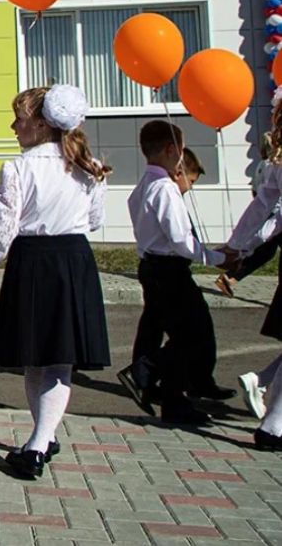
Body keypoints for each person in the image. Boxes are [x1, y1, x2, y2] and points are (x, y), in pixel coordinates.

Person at [0, 85, 110, 480]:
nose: (13, 127)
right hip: (73, 258)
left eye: (19, 119)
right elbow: (95, 220)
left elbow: (3, 229)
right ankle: (45, 435)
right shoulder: (89, 166)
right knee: (54, 358)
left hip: (32, 260)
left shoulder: (18, 168)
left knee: (38, 357)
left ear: (42, 124)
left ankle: (36, 447)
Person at [119, 125, 230, 426]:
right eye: (181, 149)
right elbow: (180, 239)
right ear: (171, 150)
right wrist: (217, 258)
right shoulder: (165, 187)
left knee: (172, 330)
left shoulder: (145, 183)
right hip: (169, 269)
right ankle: (146, 374)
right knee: (191, 334)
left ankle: (170, 394)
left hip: (153, 265)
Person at [222, 88, 282, 449]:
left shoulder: (276, 162)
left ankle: (266, 400)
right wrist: (241, 245)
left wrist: (239, 243)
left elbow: (263, 208)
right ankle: (272, 426)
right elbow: (270, 213)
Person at [216, 132, 280, 298]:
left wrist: (238, 246)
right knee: (265, 252)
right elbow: (262, 202)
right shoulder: (274, 164)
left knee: (265, 252)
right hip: (273, 215)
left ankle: (231, 277)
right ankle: (231, 277)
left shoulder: (265, 165)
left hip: (274, 217)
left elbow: (259, 196)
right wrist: (235, 245)